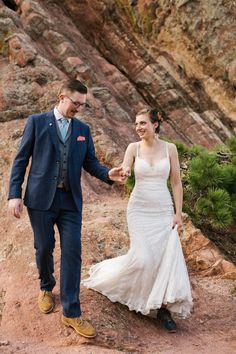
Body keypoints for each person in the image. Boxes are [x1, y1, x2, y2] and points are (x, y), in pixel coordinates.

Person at [8, 79, 127, 339]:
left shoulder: (83, 129)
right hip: (40, 200)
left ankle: (71, 312)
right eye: (76, 103)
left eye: (83, 104)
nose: (79, 108)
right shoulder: (37, 122)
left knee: (73, 253)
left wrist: (109, 174)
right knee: (44, 248)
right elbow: (20, 160)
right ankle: (46, 286)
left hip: (70, 202)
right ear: (62, 97)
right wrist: (14, 194)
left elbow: (91, 162)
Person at [83, 108, 193, 332]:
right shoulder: (133, 148)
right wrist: (122, 173)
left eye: (143, 123)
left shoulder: (170, 149)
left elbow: (176, 183)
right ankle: (131, 292)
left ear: (155, 125)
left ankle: (162, 308)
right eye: (136, 124)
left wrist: (178, 213)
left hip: (163, 209)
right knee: (143, 258)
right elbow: (125, 171)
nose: (139, 128)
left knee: (164, 259)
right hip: (139, 209)